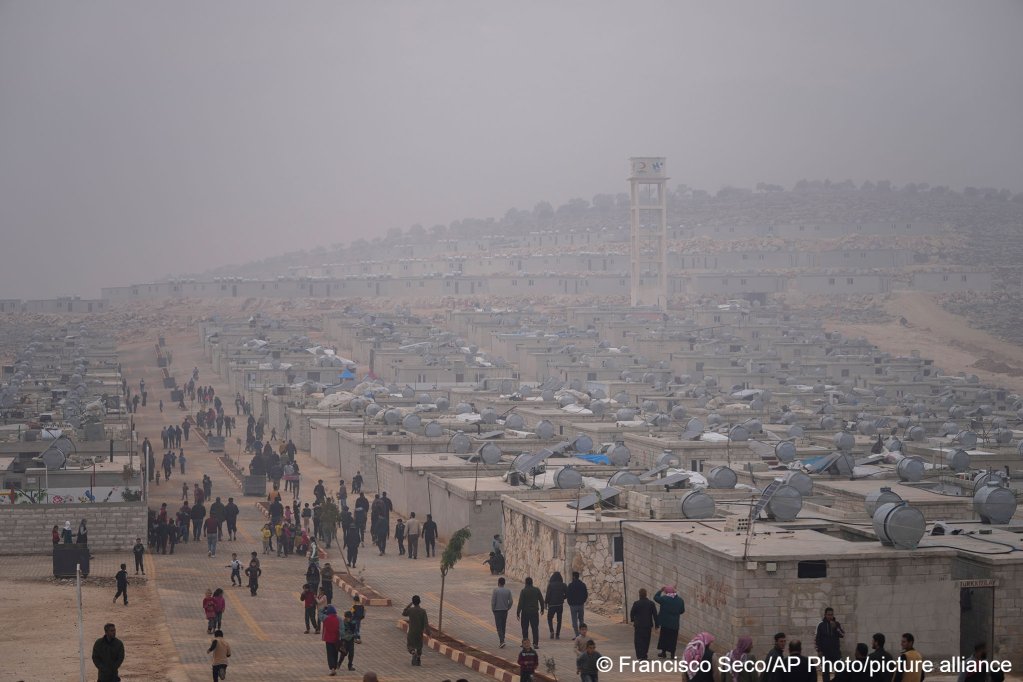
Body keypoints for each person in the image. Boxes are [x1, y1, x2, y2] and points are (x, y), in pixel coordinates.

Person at [815, 607, 845, 682]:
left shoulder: (837, 624)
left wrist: (836, 628)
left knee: (840, 671)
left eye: (831, 615)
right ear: (825, 615)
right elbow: (818, 639)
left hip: (836, 653)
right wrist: (819, 651)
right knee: (825, 673)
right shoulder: (821, 625)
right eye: (828, 615)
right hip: (825, 653)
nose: (830, 616)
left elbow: (842, 635)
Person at [654, 586, 684, 659]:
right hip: (675, 624)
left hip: (665, 623)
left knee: (664, 638)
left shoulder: (664, 599)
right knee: (673, 639)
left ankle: (663, 653)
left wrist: (660, 590)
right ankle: (672, 655)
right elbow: (682, 611)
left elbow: (655, 597)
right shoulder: (680, 600)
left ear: (666, 592)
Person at [516, 576, 545, 649]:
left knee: (525, 628)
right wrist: (542, 609)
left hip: (525, 613)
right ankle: (535, 643)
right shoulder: (537, 590)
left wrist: (518, 612)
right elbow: (541, 600)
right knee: (535, 628)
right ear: (532, 582)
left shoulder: (523, 591)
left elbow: (520, 603)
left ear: (526, 583)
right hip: (534, 612)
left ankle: (525, 644)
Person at [630, 588, 658, 660]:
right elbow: (655, 615)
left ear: (639, 595)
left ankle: (639, 656)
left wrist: (633, 620)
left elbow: (632, 613)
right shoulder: (651, 603)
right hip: (647, 626)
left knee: (638, 641)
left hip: (638, 625)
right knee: (646, 640)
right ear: (646, 594)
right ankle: (644, 655)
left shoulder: (636, 603)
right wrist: (657, 625)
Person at [403, 595, 428, 666]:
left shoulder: (410, 610)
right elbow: (426, 623)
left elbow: (404, 613)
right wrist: (428, 632)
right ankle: (418, 657)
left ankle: (413, 652)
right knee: (419, 646)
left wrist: (408, 605)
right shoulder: (423, 611)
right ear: (420, 602)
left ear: (413, 602)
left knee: (410, 645)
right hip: (419, 632)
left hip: (411, 632)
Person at [491, 576, 514, 648]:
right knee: (503, 625)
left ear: (498, 583)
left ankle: (502, 641)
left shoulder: (495, 591)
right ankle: (503, 639)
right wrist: (508, 608)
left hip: (497, 611)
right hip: (504, 611)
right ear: (504, 583)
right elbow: (511, 601)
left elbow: (493, 602)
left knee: (499, 626)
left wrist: (493, 609)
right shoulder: (508, 591)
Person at [545, 571, 567, 639]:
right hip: (560, 605)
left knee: (549, 618)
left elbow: (548, 595)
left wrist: (545, 603)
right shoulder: (563, 585)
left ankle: (551, 631)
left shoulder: (550, 585)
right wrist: (563, 598)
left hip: (552, 605)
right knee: (559, 620)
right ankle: (557, 634)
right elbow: (567, 593)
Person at [322, 605, 342, 676]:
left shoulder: (325, 618)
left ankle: (332, 668)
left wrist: (323, 609)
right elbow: (342, 629)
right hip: (336, 639)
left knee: (330, 654)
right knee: (335, 653)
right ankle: (334, 667)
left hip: (328, 639)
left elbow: (320, 614)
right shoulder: (339, 618)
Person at [567, 571, 588, 637]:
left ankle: (577, 635)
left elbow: (568, 595)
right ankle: (582, 634)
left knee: (574, 621)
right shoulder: (583, 584)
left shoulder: (570, 585)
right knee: (581, 620)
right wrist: (583, 601)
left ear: (573, 577)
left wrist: (569, 603)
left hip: (573, 606)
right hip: (581, 605)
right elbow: (586, 594)